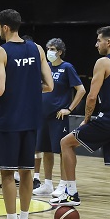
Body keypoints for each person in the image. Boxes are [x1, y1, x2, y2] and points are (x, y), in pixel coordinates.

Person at [0, 9, 53, 219]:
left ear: (4, 27)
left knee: (6, 173)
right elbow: (49, 85)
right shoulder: (38, 49)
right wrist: (30, 90)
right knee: (27, 172)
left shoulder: (0, 52)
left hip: (8, 120)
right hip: (31, 119)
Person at [58, 27, 110, 219]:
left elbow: (91, 96)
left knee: (66, 143)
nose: (96, 44)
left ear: (108, 42)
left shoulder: (103, 62)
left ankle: (72, 192)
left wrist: (86, 119)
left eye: (99, 40)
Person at [33, 38, 85, 199]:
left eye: (53, 49)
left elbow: (81, 90)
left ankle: (64, 183)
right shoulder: (46, 67)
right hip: (42, 115)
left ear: (60, 52)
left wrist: (69, 108)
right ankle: (47, 184)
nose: (50, 51)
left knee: (62, 150)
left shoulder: (67, 67)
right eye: (48, 48)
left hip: (58, 116)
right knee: (45, 150)